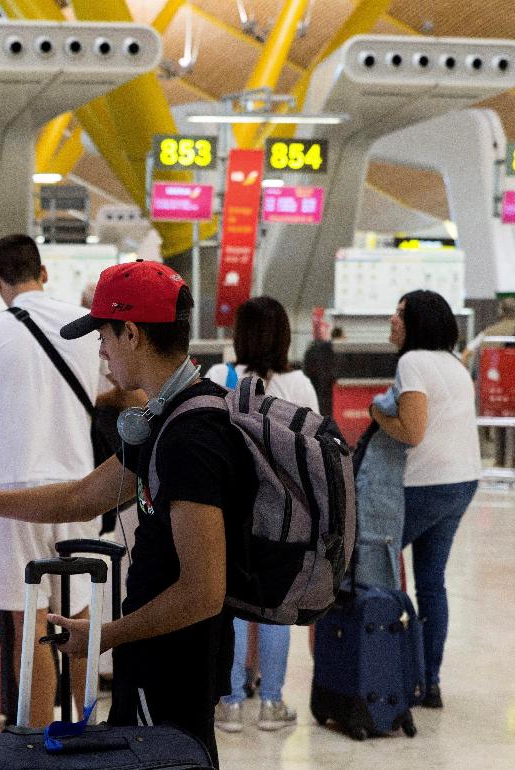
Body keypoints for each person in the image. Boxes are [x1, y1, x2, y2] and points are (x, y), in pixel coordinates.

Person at [0, 260, 246, 764]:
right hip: (152, 656)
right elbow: (80, 497)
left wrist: (105, 636)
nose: (100, 352)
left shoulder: (190, 435)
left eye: (103, 336)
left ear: (130, 333)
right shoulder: (163, 419)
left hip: (175, 665)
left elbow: (203, 591)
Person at [0, 234, 101, 725]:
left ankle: (36, 743)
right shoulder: (82, 327)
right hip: (82, 489)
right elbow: (112, 393)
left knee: (31, 621)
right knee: (79, 614)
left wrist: (7, 417)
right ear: (43, 274)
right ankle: (87, 733)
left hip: (16, 495)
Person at [368, 290, 480, 709]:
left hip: (425, 485)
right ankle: (427, 681)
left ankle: (384, 670)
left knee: (374, 569)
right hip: (462, 481)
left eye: (400, 314)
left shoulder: (412, 362)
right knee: (431, 583)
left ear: (417, 323)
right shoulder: (454, 363)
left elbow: (411, 431)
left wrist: (377, 413)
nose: (392, 320)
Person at [204, 296, 308, 733]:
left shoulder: (219, 377)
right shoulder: (299, 385)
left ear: (239, 336)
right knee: (274, 606)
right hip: (285, 513)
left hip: (230, 507)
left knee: (229, 601)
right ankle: (271, 704)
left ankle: (227, 703)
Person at [462, 298, 515, 375]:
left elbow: (465, 354)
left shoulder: (488, 332)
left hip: (492, 379)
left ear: (500, 312)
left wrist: (469, 377)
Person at [303, 326, 343, 421]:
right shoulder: (332, 349)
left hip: (315, 380)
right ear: (340, 336)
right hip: (324, 381)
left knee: (318, 405)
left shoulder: (318, 347)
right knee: (325, 406)